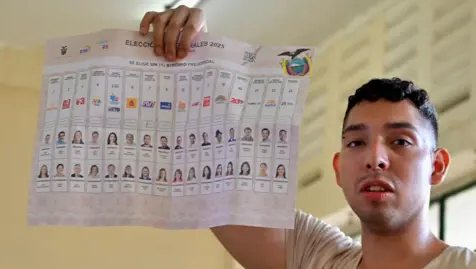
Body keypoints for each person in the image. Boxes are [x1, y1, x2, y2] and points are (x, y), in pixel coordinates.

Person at [139, 6, 476, 269]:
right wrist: (190, 59)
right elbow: (211, 180)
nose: (376, 158)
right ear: (339, 168)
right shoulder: (317, 257)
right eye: (356, 143)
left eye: (400, 141)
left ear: (437, 165)